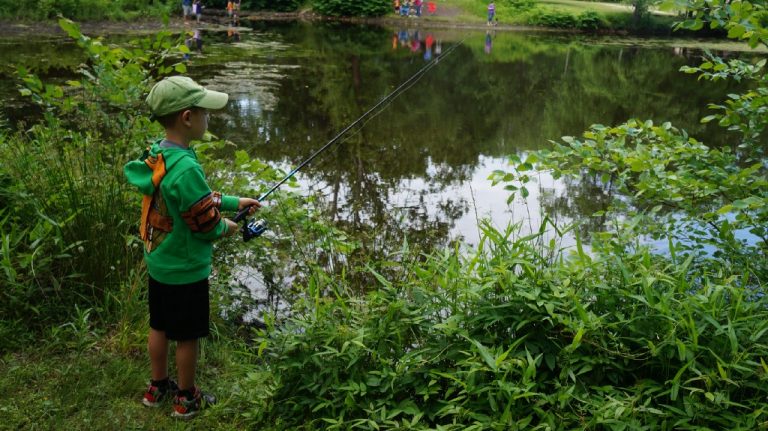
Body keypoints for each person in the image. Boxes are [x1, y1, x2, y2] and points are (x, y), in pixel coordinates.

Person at [124, 76, 260, 419]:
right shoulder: (187, 168)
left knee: (159, 326)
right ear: (188, 118)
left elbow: (193, 199)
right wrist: (230, 225)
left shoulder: (160, 154)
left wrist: (232, 201)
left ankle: (157, 387)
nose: (208, 118)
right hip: (186, 270)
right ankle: (186, 398)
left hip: (160, 263)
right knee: (186, 337)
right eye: (205, 113)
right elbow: (206, 224)